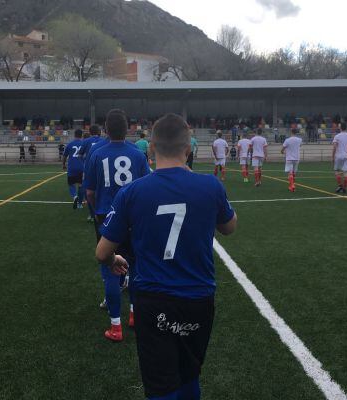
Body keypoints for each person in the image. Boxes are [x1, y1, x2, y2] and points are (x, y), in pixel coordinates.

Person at [96, 113, 237, 400]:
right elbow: (230, 227)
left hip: (153, 298)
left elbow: (102, 252)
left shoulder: (131, 192)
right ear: (189, 149)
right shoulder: (211, 186)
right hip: (199, 298)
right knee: (189, 375)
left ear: (149, 149)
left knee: (160, 384)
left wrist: (114, 261)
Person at [86, 109, 150, 342]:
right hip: (134, 218)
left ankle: (116, 327)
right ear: (128, 129)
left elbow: (90, 191)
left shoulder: (96, 153)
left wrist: (96, 213)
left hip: (106, 217)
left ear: (105, 129)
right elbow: (146, 188)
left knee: (109, 269)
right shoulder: (137, 154)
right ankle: (134, 315)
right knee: (135, 266)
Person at [63, 129, 85, 209]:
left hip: (72, 167)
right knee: (81, 185)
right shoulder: (84, 144)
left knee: (71, 184)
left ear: (74, 135)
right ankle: (80, 204)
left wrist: (63, 165)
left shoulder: (70, 144)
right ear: (81, 135)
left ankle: (75, 196)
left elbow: (64, 156)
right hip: (81, 167)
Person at [331, 123, 347, 193]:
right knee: (345, 173)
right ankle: (344, 188)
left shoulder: (337, 136)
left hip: (339, 156)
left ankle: (340, 185)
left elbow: (334, 147)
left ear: (340, 128)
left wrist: (333, 156)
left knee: (337, 171)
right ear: (346, 128)